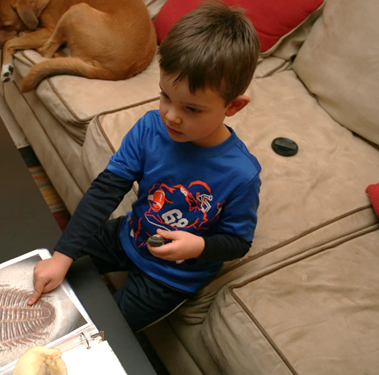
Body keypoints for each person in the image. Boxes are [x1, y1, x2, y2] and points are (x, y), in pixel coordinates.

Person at [28, 1, 261, 332]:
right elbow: (106, 190)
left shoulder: (241, 176)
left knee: (105, 335)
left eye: (192, 109)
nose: (171, 116)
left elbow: (238, 242)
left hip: (172, 276)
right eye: (165, 96)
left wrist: (200, 246)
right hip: (129, 234)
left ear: (233, 106)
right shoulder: (151, 128)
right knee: (48, 267)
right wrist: (63, 256)